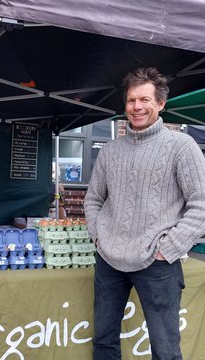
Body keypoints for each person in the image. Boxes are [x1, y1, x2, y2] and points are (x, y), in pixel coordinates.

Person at [84, 67, 205, 359]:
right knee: (104, 341)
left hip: (157, 263)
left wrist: (169, 248)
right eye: (131, 100)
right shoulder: (111, 151)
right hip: (110, 261)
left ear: (161, 103)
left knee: (164, 348)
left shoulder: (182, 147)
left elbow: (201, 203)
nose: (136, 107)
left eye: (144, 100)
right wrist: (99, 237)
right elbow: (93, 199)